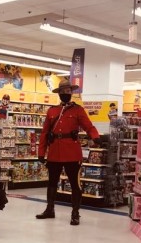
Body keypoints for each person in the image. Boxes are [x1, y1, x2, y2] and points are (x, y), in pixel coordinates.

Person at [36, 79, 101, 226]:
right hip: (54, 152)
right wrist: (41, 152)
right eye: (63, 92)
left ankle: (75, 213)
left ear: (71, 93)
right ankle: (49, 209)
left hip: (72, 152)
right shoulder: (52, 111)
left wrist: (95, 137)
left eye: (68, 91)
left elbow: (88, 126)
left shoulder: (78, 110)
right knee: (52, 182)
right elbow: (45, 133)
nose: (66, 94)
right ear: (59, 94)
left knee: (74, 184)